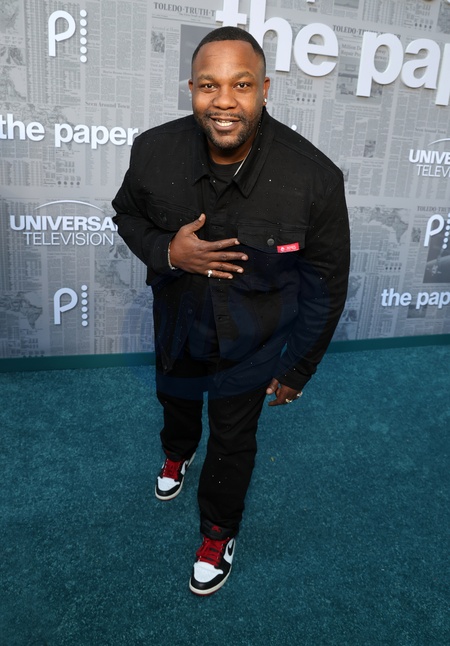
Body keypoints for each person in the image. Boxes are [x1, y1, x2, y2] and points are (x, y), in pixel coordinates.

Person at [112, 26, 350, 596]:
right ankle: (176, 454)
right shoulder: (152, 151)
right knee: (175, 402)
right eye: (208, 85)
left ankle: (218, 532)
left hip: (254, 338)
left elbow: (326, 284)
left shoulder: (315, 178)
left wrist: (298, 368)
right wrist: (170, 252)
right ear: (191, 89)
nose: (224, 101)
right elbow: (127, 215)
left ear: (264, 89)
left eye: (241, 85)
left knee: (233, 439)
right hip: (177, 324)